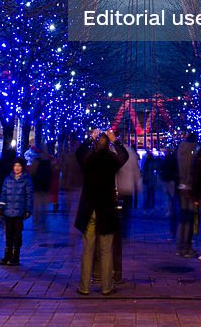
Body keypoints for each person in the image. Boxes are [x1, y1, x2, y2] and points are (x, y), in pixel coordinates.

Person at [74, 127, 129, 296]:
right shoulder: (112, 160)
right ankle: (106, 286)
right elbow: (124, 156)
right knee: (106, 250)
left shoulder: (89, 160)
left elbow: (78, 153)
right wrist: (115, 140)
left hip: (89, 208)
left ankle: (84, 286)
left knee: (87, 249)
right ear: (108, 147)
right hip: (105, 209)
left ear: (96, 146)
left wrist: (91, 138)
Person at [0, 156, 34, 265]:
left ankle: (15, 257)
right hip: (8, 211)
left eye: (19, 166)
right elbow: (3, 195)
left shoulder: (26, 180)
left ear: (22, 167)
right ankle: (7, 255)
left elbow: (29, 196)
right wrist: (1, 208)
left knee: (17, 235)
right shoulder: (8, 179)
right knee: (8, 234)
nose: (17, 168)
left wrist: (28, 210)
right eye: (15, 165)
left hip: (19, 212)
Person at [176, 131, 197, 256]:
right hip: (189, 187)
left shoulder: (180, 149)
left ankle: (180, 246)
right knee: (189, 218)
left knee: (183, 218)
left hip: (181, 185)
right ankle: (186, 247)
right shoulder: (193, 150)